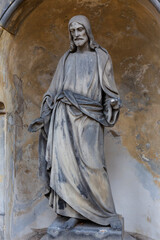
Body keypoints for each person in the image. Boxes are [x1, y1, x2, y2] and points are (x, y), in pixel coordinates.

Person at [29, 15, 122, 230]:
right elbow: (52, 91)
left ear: (88, 32)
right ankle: (73, 212)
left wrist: (113, 104)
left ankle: (107, 213)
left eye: (80, 30)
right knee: (66, 170)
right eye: (73, 31)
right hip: (63, 119)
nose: (77, 34)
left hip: (90, 118)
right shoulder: (66, 59)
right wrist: (45, 114)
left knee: (93, 166)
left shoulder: (101, 57)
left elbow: (110, 92)